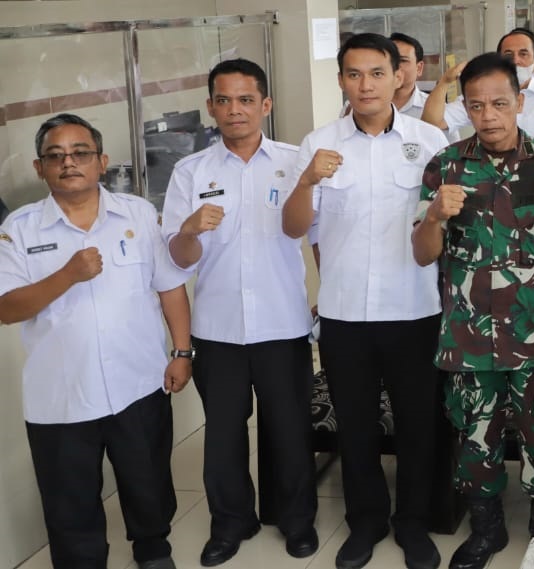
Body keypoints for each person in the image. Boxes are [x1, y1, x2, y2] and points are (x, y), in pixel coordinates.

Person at [280, 33, 450, 569]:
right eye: (354, 74)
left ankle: (413, 523)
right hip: (345, 311)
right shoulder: (318, 144)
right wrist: (306, 180)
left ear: (398, 76)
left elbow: (442, 231)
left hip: (414, 309)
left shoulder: (429, 141)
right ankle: (366, 521)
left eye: (377, 72)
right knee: (353, 425)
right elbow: (292, 228)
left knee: (417, 423)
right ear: (341, 81)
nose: (365, 85)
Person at [411, 52, 534, 569]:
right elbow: (422, 253)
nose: (488, 115)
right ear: (464, 106)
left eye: (499, 103)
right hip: (468, 337)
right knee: (475, 440)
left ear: (521, 102)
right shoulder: (445, 165)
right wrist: (436, 217)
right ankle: (486, 532)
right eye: (476, 105)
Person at [0, 113, 193, 569]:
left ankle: (153, 549)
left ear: (102, 161)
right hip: (62, 395)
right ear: (39, 168)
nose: (69, 163)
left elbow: (169, 286)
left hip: (137, 382)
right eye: (56, 155)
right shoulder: (19, 231)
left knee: (147, 482)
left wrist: (182, 352)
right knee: (71, 500)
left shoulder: (138, 214)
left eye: (80, 152)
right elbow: (7, 309)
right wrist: (67, 274)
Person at [160, 58, 318, 566]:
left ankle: (295, 520)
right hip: (218, 330)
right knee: (223, 434)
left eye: (246, 99)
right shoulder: (191, 172)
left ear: (265, 105)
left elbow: (316, 240)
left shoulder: (295, 163)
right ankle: (230, 523)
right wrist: (187, 230)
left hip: (283, 322)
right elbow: (178, 259)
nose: (235, 110)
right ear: (210, 108)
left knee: (289, 429)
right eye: (223, 101)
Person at [424, 29, 534, 153]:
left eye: (523, 54)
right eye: (508, 55)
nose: (515, 61)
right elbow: (432, 123)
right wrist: (445, 82)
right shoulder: (481, 98)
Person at [341, 32, 429, 119]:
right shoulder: (354, 105)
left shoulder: (435, 108)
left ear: (419, 68)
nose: (395, 66)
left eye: (402, 60)